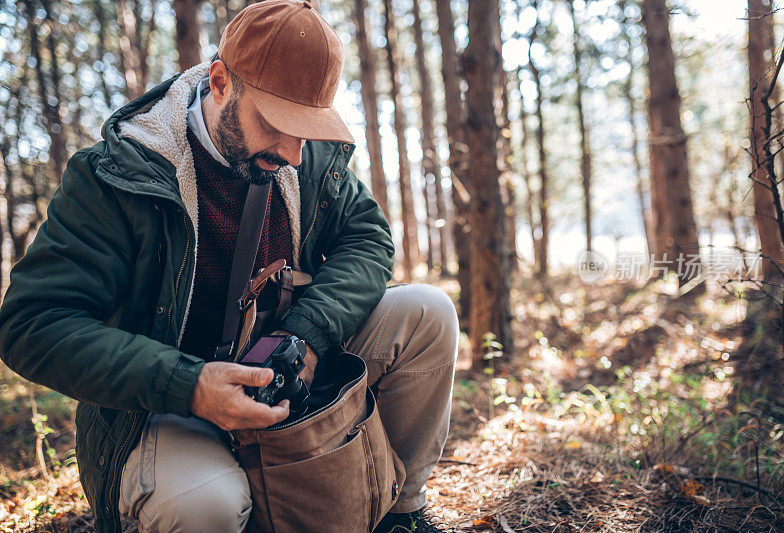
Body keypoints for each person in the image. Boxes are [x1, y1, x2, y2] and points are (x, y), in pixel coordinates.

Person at [0, 1, 458, 532]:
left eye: (307, 129)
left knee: (427, 312)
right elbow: (32, 324)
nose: (292, 152)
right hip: (165, 403)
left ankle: (398, 516)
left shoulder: (306, 159)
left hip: (279, 367)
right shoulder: (114, 177)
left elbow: (368, 236)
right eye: (276, 124)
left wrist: (306, 334)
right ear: (220, 82)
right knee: (202, 506)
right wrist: (189, 385)